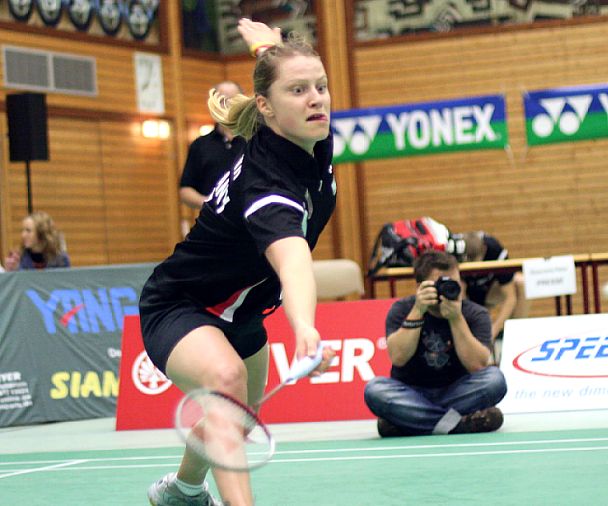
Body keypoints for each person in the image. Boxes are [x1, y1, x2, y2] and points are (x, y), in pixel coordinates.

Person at [140, 18, 335, 506]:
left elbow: (277, 72)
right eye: (299, 90)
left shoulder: (309, 136)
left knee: (238, 415)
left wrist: (267, 45)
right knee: (225, 383)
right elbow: (293, 263)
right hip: (181, 305)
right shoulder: (267, 187)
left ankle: (181, 492)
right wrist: (305, 328)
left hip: (243, 314)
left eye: (321, 86)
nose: (316, 99)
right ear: (267, 107)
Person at [364, 250, 507, 438]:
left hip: (459, 392)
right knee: (375, 390)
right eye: (439, 284)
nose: (447, 289)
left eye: (453, 283)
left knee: (495, 380)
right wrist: (418, 310)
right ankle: (456, 424)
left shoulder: (475, 313)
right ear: (420, 286)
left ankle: (412, 422)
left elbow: (477, 365)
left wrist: (456, 318)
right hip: (412, 392)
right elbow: (398, 358)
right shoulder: (402, 309)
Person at [460, 231, 529, 360]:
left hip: (490, 292)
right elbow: (460, 297)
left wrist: (494, 330)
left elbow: (510, 298)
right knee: (458, 288)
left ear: (484, 250)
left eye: (476, 262)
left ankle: (517, 338)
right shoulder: (456, 251)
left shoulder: (495, 250)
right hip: (469, 296)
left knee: (521, 283)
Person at [179, 81, 247, 210]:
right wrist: (210, 203)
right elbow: (186, 190)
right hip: (215, 223)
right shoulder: (200, 145)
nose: (227, 105)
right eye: (221, 100)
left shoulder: (256, 140)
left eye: (233, 101)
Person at [3, 211, 70, 271]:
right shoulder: (19, 258)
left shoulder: (61, 259)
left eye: (28, 231)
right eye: (22, 230)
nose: (23, 235)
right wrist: (10, 272)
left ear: (41, 233)